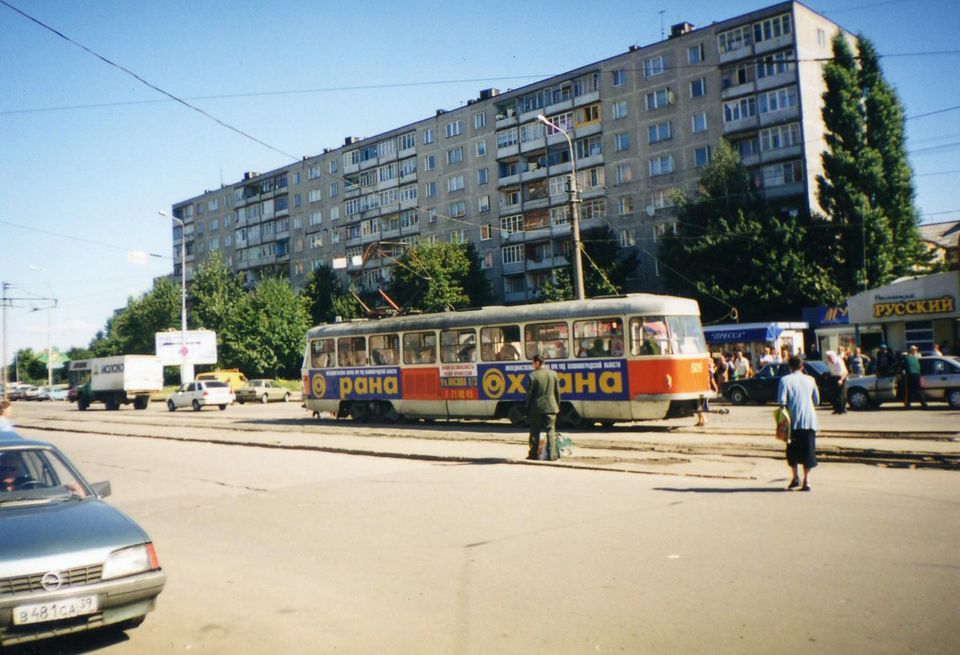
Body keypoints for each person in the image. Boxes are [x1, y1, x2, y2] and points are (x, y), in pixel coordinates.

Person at [777, 356, 820, 491]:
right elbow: (817, 401)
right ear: (802, 367)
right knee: (808, 451)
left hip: (792, 422)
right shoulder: (811, 379)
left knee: (792, 451)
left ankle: (795, 478)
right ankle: (807, 481)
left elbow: (781, 401)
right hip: (809, 420)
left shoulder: (785, 380)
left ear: (789, 367)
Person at [526, 354, 561, 461]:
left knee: (535, 432)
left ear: (537, 362)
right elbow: (557, 392)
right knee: (551, 430)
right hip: (551, 407)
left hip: (537, 408)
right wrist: (557, 406)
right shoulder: (553, 374)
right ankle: (552, 455)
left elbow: (530, 395)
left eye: (532, 362)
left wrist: (527, 408)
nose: (532, 365)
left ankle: (533, 454)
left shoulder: (532, 375)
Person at [903, 345, 928, 409]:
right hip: (914, 374)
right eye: (915, 350)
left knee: (914, 390)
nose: (916, 351)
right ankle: (909, 404)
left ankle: (923, 404)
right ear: (911, 351)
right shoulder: (911, 357)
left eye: (916, 350)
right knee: (913, 390)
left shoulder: (912, 357)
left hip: (913, 374)